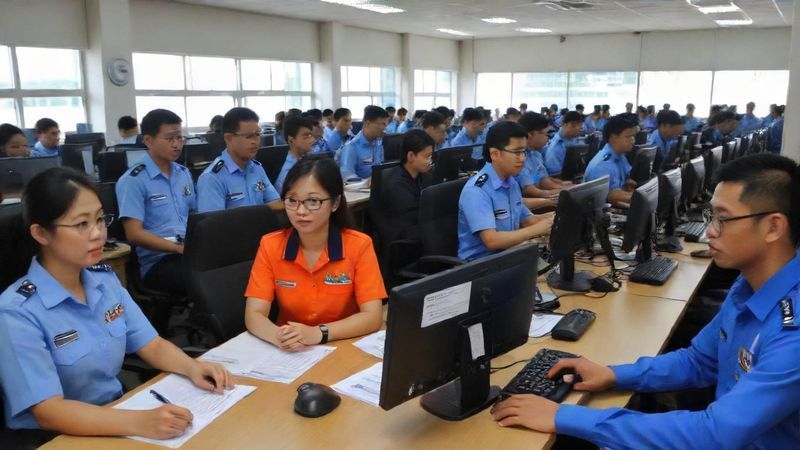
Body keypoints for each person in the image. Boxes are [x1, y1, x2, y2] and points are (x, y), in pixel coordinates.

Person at [492, 153, 800, 450]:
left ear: (773, 226)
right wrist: (614, 374)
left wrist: (563, 416)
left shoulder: (793, 333)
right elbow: (700, 361)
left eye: (723, 219)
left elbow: (714, 434)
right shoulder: (749, 284)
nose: (710, 231)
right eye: (712, 217)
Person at [0, 167, 233, 444]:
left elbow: (151, 344)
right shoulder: (16, 311)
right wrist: (139, 422)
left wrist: (192, 367)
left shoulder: (104, 281)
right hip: (54, 436)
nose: (98, 233)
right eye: (81, 224)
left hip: (116, 412)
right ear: (41, 233)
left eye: (100, 219)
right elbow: (48, 411)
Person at [244, 159, 386, 350]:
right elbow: (254, 313)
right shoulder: (271, 245)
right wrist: (278, 337)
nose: (301, 211)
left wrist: (319, 333)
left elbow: (372, 316)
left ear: (335, 203)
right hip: (291, 350)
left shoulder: (358, 245)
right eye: (292, 201)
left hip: (343, 343)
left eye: (313, 201)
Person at [116, 109, 195, 296]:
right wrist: (178, 248)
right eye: (170, 139)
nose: (177, 144)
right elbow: (134, 234)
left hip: (189, 253)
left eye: (180, 138)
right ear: (148, 140)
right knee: (205, 279)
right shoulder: (133, 180)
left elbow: (195, 216)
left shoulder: (183, 174)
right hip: (159, 262)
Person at [457, 121, 554, 261]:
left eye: (524, 152)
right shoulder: (476, 190)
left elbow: (527, 220)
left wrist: (556, 217)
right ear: (495, 154)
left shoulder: (511, 182)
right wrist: (538, 229)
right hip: (480, 268)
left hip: (509, 256)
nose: (522, 158)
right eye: (516, 152)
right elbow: (492, 241)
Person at [196, 107, 282, 213]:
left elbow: (276, 204)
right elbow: (213, 226)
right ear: (229, 138)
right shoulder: (211, 178)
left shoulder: (256, 168)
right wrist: (264, 210)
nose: (256, 141)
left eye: (258, 134)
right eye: (249, 136)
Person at [380, 129, 433, 244]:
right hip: (404, 237)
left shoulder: (423, 176)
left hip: (417, 228)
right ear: (410, 156)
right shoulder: (397, 184)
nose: (430, 161)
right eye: (427, 156)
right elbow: (410, 219)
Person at [515, 113, 569, 210]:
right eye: (546, 133)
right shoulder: (519, 157)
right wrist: (563, 191)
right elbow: (531, 191)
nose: (548, 138)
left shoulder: (536, 154)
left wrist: (563, 185)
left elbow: (543, 180)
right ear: (530, 134)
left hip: (540, 199)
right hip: (531, 206)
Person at [583, 115, 637, 206]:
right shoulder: (604, 164)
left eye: (633, 136)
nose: (633, 140)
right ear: (614, 138)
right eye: (628, 136)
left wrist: (628, 183)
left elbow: (627, 178)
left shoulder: (620, 154)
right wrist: (643, 197)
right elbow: (614, 197)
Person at [338, 105, 388, 180]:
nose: (385, 129)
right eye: (383, 124)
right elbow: (348, 178)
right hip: (361, 190)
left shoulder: (378, 143)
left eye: (386, 125)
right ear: (368, 123)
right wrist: (367, 183)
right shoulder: (351, 147)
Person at [275, 115, 316, 194]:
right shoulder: (289, 172)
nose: (312, 140)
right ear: (291, 140)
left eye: (311, 135)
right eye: (306, 136)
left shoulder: (306, 160)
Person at [543, 111, 582, 176]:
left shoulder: (573, 139)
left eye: (580, 125)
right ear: (564, 125)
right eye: (574, 125)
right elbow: (555, 175)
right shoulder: (555, 148)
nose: (579, 128)